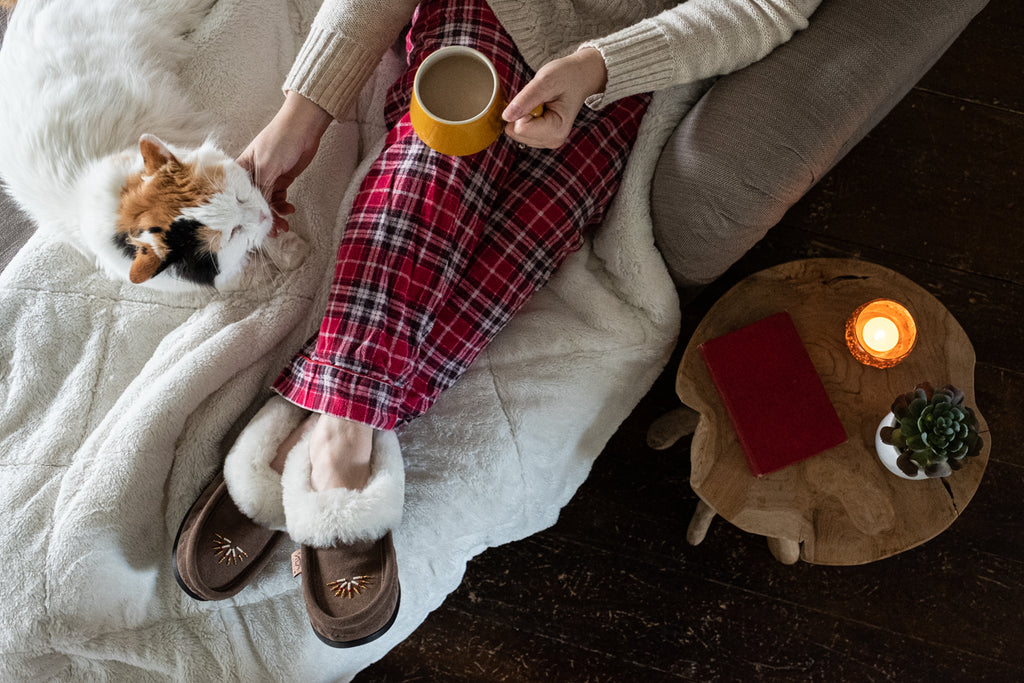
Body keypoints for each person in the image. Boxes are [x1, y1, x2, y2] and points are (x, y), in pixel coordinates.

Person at [173, 0, 821, 647]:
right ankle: (342, 444)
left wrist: (600, 67)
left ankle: (293, 441)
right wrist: (303, 114)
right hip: (490, 13)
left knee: (524, 238)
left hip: (628, 65)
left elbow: (767, 7)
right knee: (440, 170)